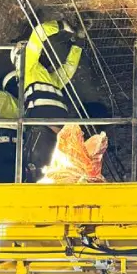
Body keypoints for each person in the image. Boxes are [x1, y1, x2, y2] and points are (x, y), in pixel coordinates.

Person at [17, 20, 84, 181]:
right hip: (47, 133)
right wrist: (61, 25)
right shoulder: (28, 69)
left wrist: (78, 44)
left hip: (51, 135)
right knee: (45, 176)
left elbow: (68, 69)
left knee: (47, 176)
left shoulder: (48, 79)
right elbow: (39, 34)